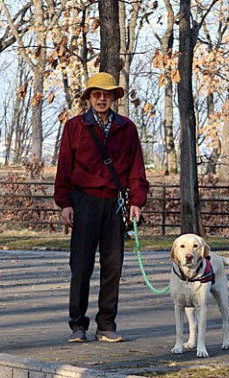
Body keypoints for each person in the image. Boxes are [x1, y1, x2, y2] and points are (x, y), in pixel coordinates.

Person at [54, 72, 149, 343]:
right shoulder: (74, 127)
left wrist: (137, 202)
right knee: (81, 266)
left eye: (106, 94)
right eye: (96, 94)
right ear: (88, 98)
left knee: (113, 266)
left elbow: (136, 170)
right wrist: (65, 204)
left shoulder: (127, 128)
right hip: (83, 201)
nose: (101, 99)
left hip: (115, 203)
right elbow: (64, 169)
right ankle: (78, 325)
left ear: (114, 98)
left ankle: (106, 324)